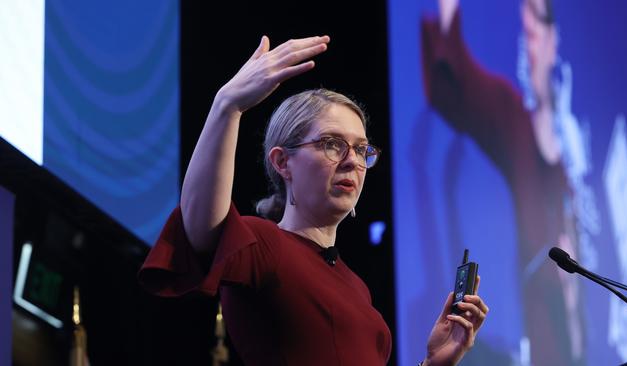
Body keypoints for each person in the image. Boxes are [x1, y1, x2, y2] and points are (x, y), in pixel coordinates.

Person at [138, 35, 488, 365]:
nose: (353, 160)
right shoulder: (264, 245)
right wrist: (227, 106)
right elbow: (200, 227)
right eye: (332, 144)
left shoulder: (356, 286)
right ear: (283, 162)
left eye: (362, 149)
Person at [419, 0, 598, 364]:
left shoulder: (575, 153)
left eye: (539, 22)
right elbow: (455, 84)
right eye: (524, 27)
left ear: (554, 38)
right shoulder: (515, 122)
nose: (528, 37)